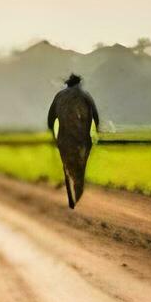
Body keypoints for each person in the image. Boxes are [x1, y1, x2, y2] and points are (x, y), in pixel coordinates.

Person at [47, 73, 100, 208]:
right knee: (80, 168)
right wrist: (96, 133)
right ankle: (78, 192)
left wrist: (54, 136)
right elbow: (96, 118)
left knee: (67, 167)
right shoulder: (86, 96)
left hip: (64, 140)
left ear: (68, 84)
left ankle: (71, 196)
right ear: (79, 84)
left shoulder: (59, 96)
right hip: (82, 140)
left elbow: (50, 120)